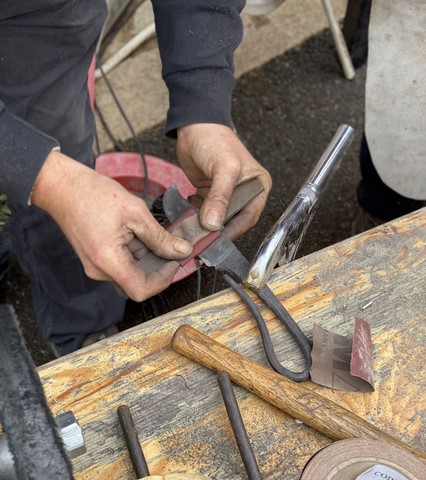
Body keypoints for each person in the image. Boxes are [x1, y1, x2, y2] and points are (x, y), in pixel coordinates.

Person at [0, 1, 271, 356]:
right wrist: (44, 176)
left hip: (34, 19)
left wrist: (202, 100)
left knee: (59, 188)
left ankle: (81, 329)